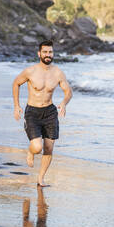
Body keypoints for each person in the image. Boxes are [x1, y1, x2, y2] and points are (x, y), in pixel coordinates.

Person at [12, 40, 72, 187]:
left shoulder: (58, 73)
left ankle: (40, 178)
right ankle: (31, 152)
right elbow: (16, 83)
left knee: (49, 148)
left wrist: (64, 103)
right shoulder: (30, 71)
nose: (48, 55)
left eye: (50, 52)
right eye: (45, 52)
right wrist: (16, 105)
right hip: (32, 112)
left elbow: (68, 91)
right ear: (39, 53)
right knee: (37, 147)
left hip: (50, 112)